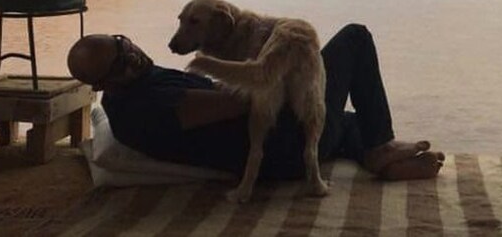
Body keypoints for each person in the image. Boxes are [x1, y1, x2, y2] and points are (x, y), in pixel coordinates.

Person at [67, 24, 444, 181]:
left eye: (122, 44)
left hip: (280, 136)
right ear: (102, 83)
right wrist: (282, 65)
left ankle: (376, 157)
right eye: (119, 63)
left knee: (344, 120)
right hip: (280, 149)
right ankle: (378, 148)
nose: (130, 55)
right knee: (354, 38)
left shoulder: (140, 80)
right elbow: (241, 101)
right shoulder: (143, 109)